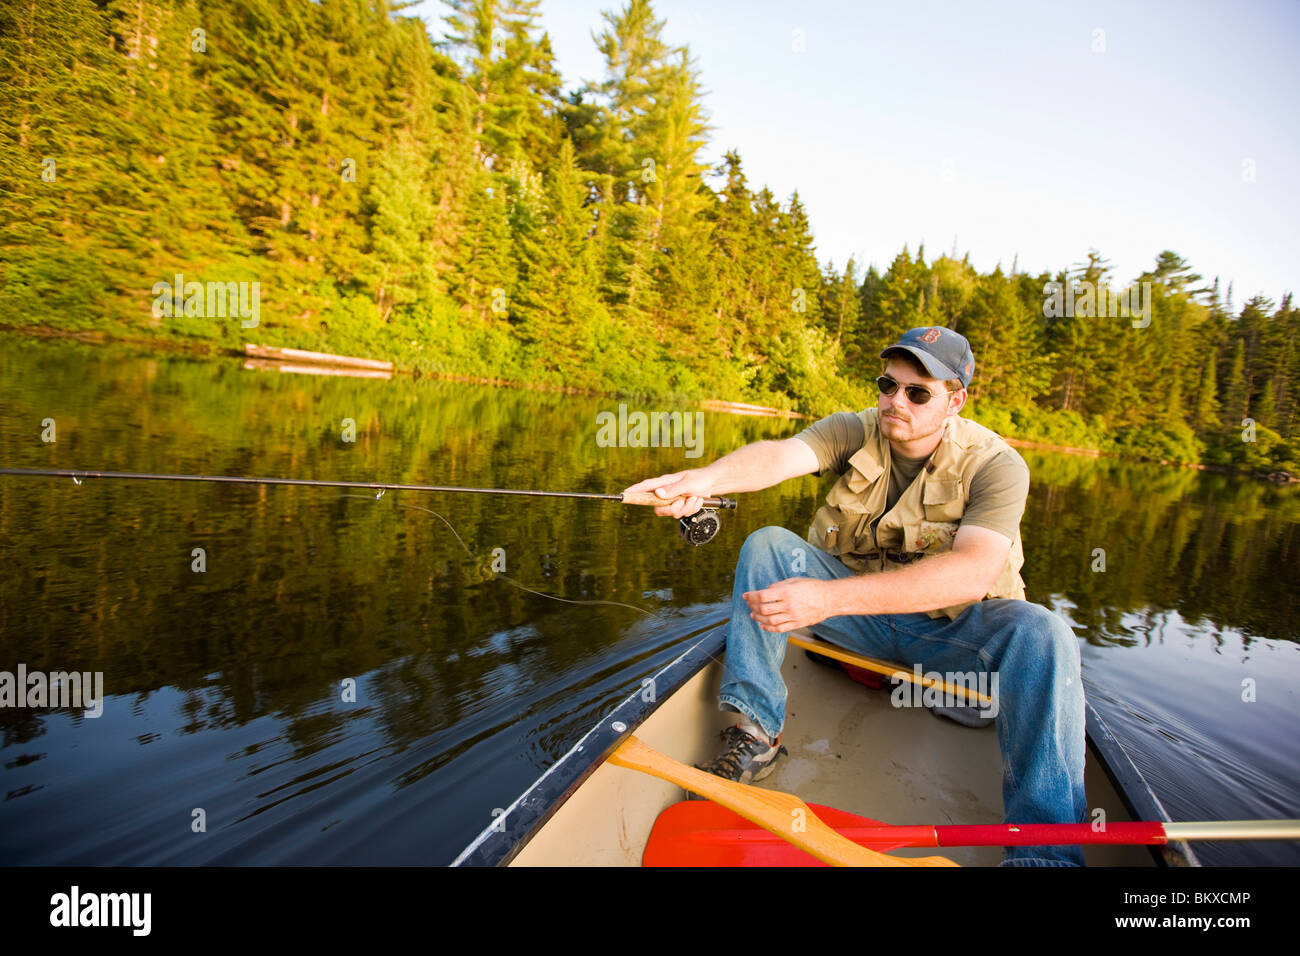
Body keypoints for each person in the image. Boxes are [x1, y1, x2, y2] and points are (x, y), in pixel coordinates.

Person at [621, 326, 1086, 867]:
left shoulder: (997, 465)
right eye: (888, 385)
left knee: (1046, 634)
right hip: (862, 623)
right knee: (769, 545)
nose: (896, 402)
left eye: (918, 392)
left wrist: (826, 602)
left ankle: (1045, 853)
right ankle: (757, 733)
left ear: (955, 400)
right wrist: (698, 480)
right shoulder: (854, 430)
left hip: (951, 637)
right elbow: (777, 458)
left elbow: (970, 574)